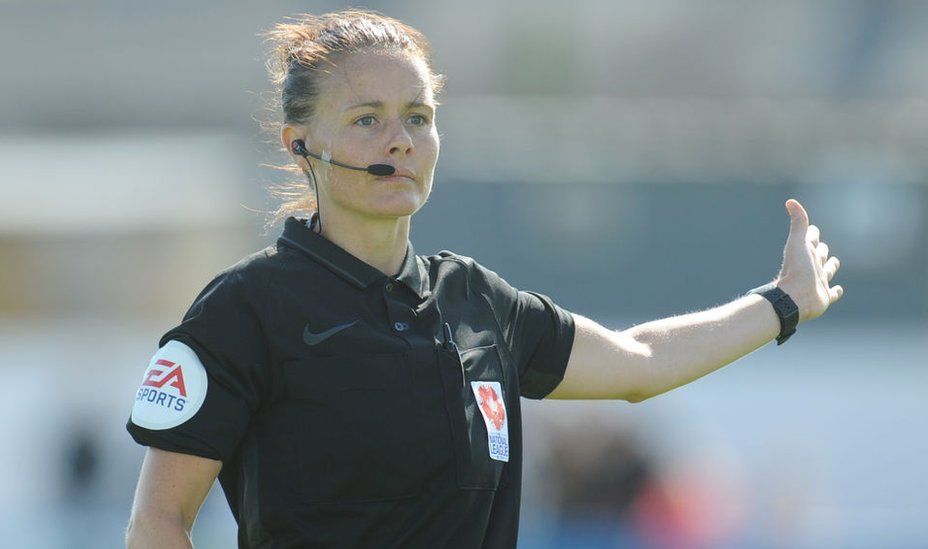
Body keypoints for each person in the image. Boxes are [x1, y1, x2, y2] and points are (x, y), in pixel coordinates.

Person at [124, 9, 844, 549]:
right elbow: (158, 521)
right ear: (301, 143)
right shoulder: (245, 310)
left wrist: (782, 303)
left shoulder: (475, 302)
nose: (400, 140)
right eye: (367, 119)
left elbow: (639, 362)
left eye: (418, 117)